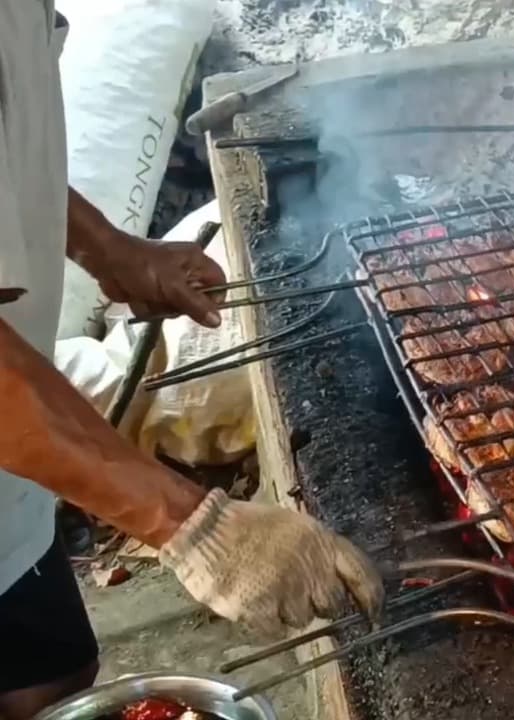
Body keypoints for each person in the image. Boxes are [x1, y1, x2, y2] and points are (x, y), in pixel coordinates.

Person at [0, 2, 384, 718]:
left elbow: (12, 138)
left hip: (12, 479)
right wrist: (189, 523)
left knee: (50, 678)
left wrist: (110, 250)